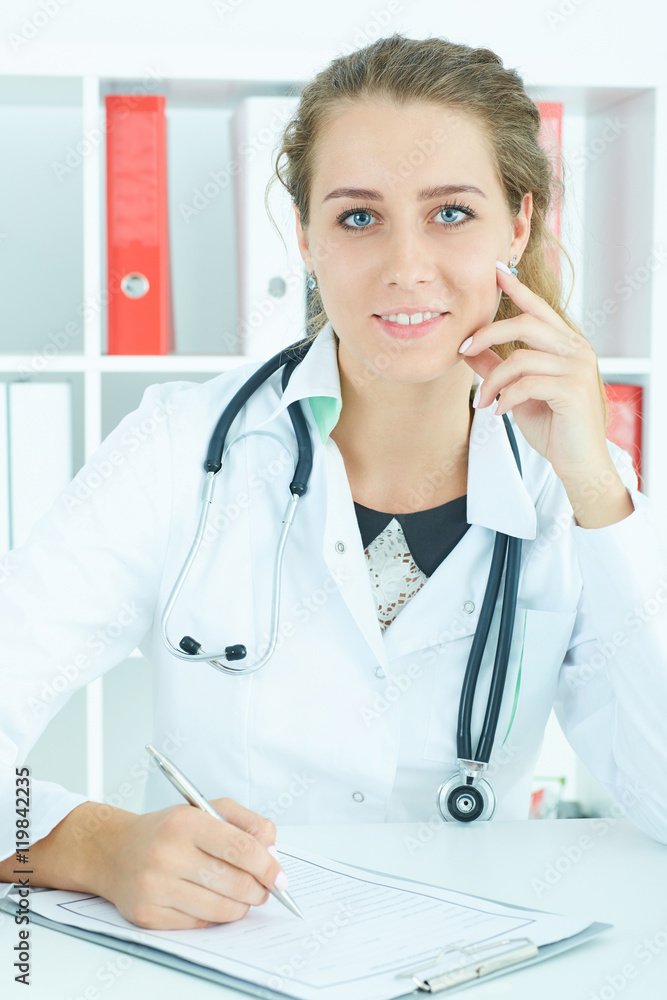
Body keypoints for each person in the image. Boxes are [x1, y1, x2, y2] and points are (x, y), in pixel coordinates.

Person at [1, 33, 666, 931]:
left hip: (469, 963)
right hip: (222, 963)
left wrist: (594, 487)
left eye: (450, 213)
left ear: (519, 223)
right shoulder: (178, 448)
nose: (404, 266)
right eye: (357, 216)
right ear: (307, 238)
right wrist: (90, 843)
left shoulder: (580, 490)